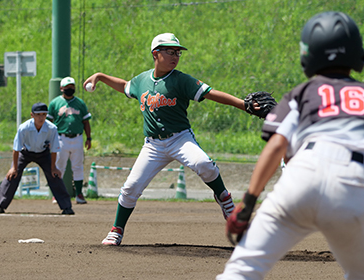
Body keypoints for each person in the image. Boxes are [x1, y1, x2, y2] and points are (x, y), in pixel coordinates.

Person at [218, 11, 364, 280]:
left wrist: (247, 205)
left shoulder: (302, 93)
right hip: (352, 184)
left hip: (300, 178)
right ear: (356, 52)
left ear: (308, 54)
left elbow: (277, 146)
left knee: (242, 270)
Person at [83, 32, 263, 246]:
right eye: (170, 51)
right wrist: (101, 76)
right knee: (130, 188)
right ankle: (116, 229)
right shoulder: (142, 80)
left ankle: (223, 197)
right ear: (155, 54)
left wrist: (243, 104)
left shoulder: (181, 80)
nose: (175, 56)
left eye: (177, 52)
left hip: (180, 139)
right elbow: (125, 86)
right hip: (153, 146)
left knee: (204, 164)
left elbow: (211, 93)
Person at [0, 102, 74, 215]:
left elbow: (54, 149)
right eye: (38, 114)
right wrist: (14, 167)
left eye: (44, 115)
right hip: (25, 152)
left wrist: (53, 167)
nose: (41, 117)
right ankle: (0, 205)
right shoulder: (24, 128)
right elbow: (16, 149)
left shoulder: (52, 128)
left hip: (44, 154)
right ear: (32, 115)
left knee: (54, 175)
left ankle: (66, 207)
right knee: (12, 175)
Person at [47, 77, 92, 204]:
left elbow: (86, 122)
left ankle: (79, 194)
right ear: (61, 88)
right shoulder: (55, 103)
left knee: (77, 167)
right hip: (60, 138)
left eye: (72, 86)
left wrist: (88, 138)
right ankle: (57, 195)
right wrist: (49, 139)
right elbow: (49, 123)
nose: (70, 89)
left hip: (77, 137)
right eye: (67, 87)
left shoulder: (80, 103)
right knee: (59, 167)